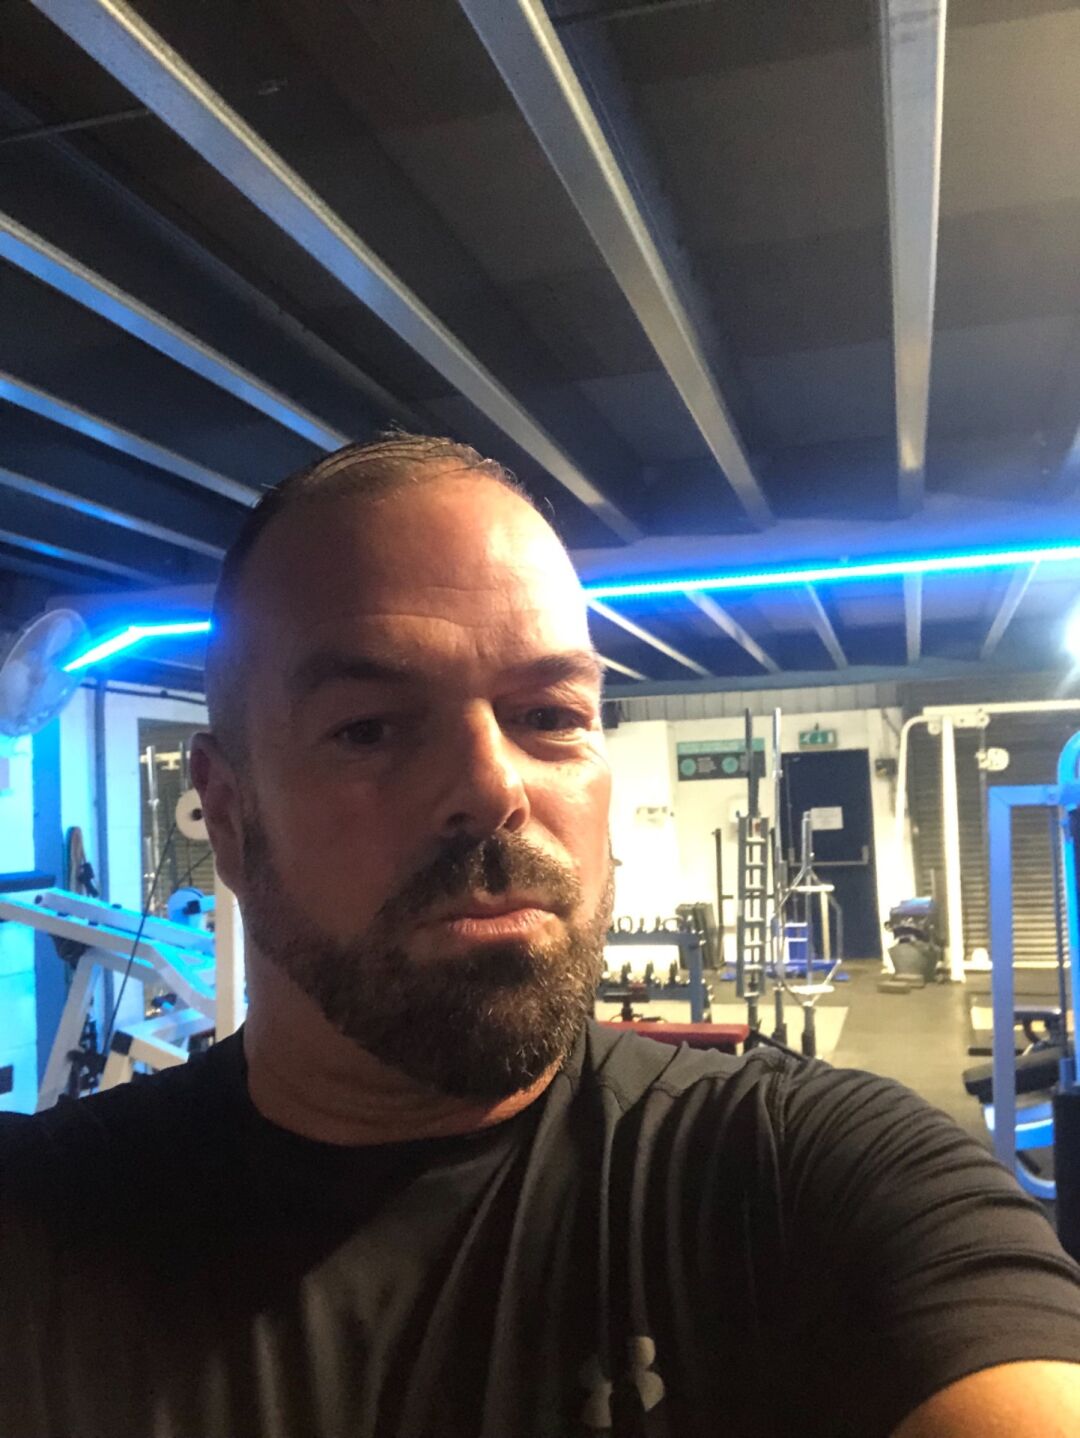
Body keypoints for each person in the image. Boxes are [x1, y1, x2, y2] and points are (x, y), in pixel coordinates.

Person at [2, 434, 1080, 1438]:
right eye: (369, 728)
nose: (493, 788)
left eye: (551, 716)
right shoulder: (41, 1233)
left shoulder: (805, 1182)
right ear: (230, 814)